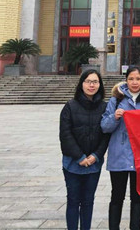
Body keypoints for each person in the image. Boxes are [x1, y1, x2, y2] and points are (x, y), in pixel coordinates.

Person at [101, 66, 140, 230]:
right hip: (119, 155)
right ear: (126, 80)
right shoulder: (116, 100)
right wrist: (115, 117)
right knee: (117, 196)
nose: (134, 82)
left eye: (138, 79)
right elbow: (105, 127)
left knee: (137, 197)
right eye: (131, 79)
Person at [59, 70, 110, 230]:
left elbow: (106, 136)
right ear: (81, 84)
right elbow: (65, 135)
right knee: (73, 200)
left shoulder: (105, 107)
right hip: (72, 163)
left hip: (94, 164)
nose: (91, 85)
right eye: (88, 81)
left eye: (95, 81)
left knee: (88, 201)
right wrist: (80, 157)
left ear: (100, 85)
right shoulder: (70, 106)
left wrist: (96, 155)